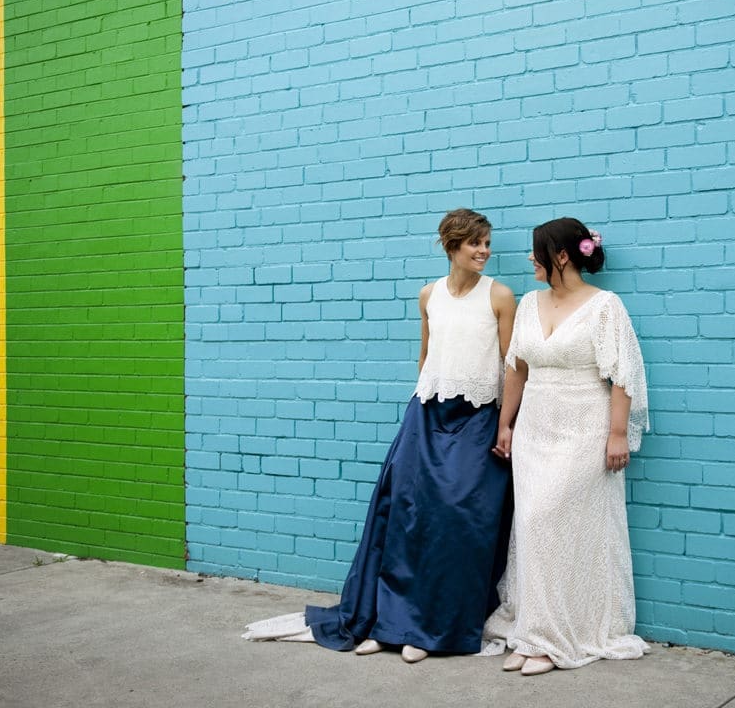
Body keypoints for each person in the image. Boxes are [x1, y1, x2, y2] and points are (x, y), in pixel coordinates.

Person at [243, 208, 516, 663]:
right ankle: (390, 624)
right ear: (452, 245)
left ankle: (432, 631)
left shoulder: (501, 297)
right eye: (476, 244)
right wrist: (419, 411)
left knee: (458, 522)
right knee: (404, 517)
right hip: (426, 415)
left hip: (477, 420)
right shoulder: (428, 295)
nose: (485, 251)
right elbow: (425, 355)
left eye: (487, 243)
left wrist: (506, 423)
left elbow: (511, 368)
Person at [483, 217, 650, 676]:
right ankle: (534, 629)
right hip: (537, 429)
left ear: (561, 256)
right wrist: (506, 424)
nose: (530, 260)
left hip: (584, 431)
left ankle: (553, 639)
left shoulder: (605, 307)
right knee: (535, 531)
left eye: (537, 253)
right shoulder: (531, 303)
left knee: (557, 525)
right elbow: (516, 369)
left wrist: (617, 434)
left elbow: (624, 375)